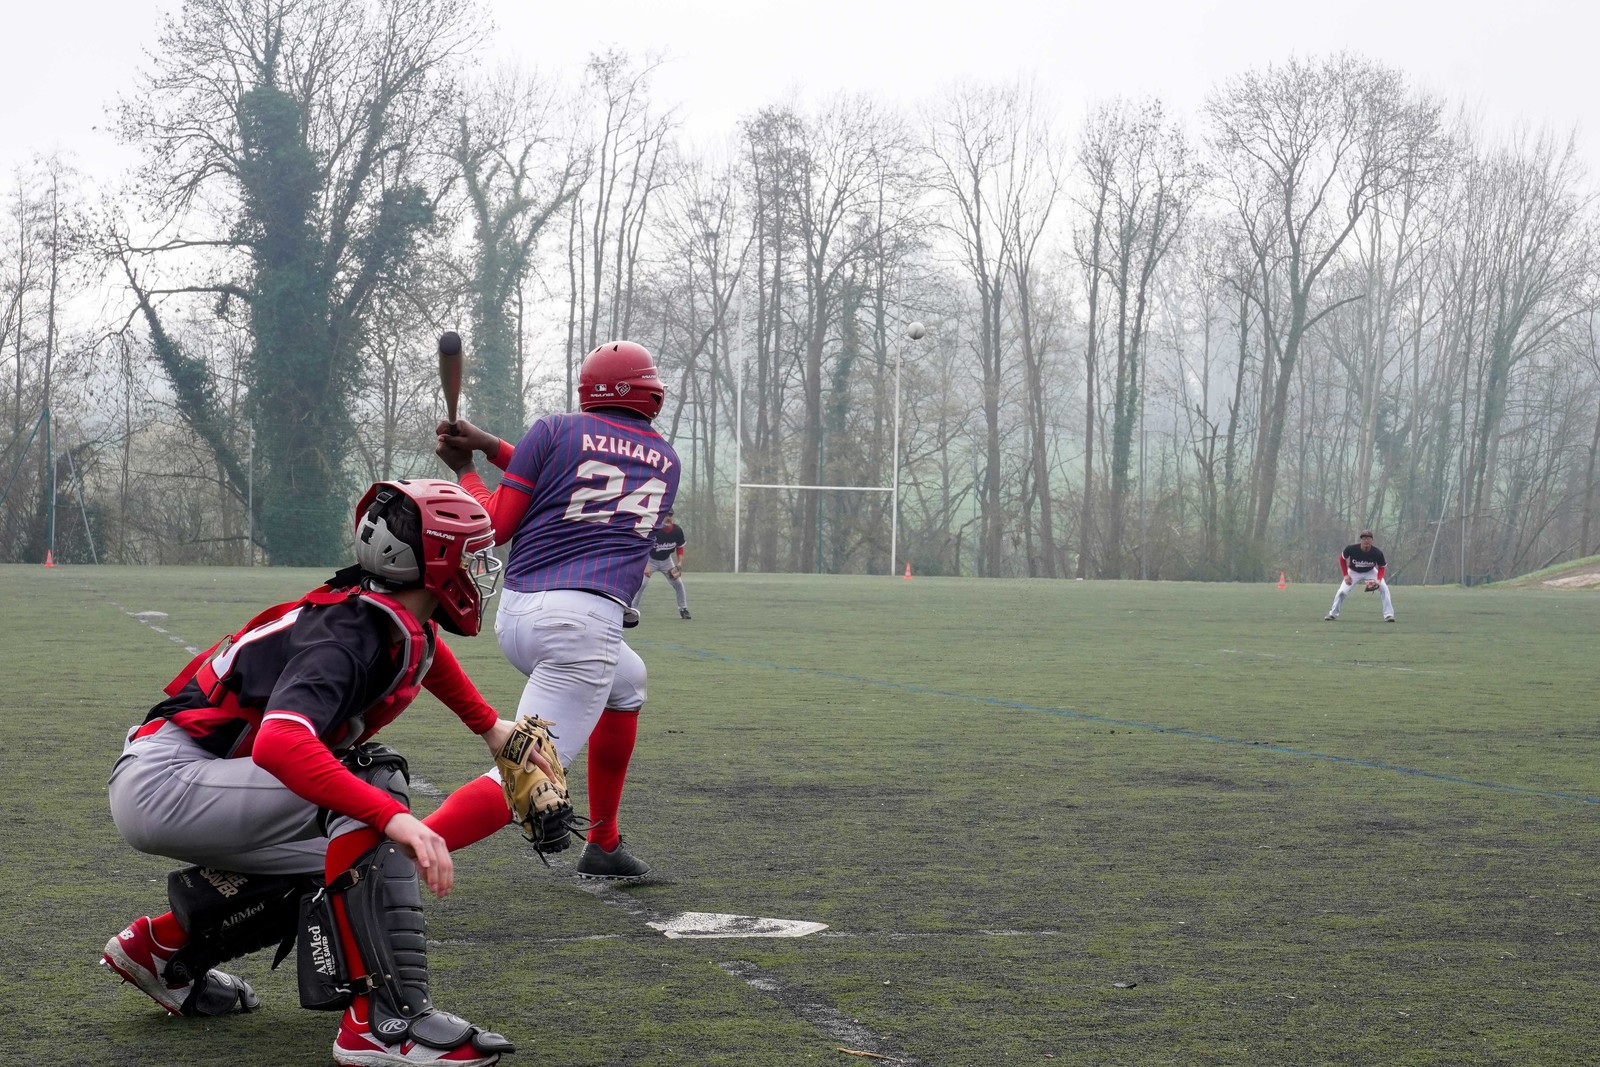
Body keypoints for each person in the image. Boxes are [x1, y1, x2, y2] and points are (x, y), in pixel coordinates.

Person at [100, 479, 539, 1067]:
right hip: (170, 781)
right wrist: (391, 815)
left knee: (338, 870)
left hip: (181, 775)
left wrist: (489, 726)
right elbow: (282, 744)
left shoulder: (382, 612)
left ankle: (161, 951)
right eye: (473, 554)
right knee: (371, 785)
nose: (483, 568)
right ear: (432, 560)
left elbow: (422, 652)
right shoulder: (346, 636)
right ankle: (385, 1024)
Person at [428, 340, 680, 881]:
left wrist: (468, 466)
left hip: (520, 614)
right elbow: (585, 475)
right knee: (528, 773)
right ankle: (386, 851)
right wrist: (484, 455)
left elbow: (517, 507)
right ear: (648, 393)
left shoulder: (553, 429)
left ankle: (604, 842)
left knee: (628, 682)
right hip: (581, 626)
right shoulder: (667, 460)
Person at [1325, 529, 1395, 622]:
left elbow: (1381, 567)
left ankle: (1389, 615)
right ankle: (1333, 614)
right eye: (1364, 538)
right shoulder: (1352, 549)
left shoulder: (1377, 552)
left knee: (1384, 588)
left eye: (1368, 538)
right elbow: (1342, 559)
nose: (1366, 541)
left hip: (1370, 571)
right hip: (1353, 572)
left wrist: (1378, 580)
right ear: (1360, 540)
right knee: (1341, 592)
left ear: (1372, 541)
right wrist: (1346, 575)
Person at [633, 508, 690, 619]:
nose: (668, 517)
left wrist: (679, 563)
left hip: (666, 561)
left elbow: (680, 548)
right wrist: (646, 565)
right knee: (642, 584)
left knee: (678, 584)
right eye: (665, 515)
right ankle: (632, 609)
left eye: (670, 515)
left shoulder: (677, 531)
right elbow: (643, 548)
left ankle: (683, 609)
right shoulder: (654, 531)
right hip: (650, 559)